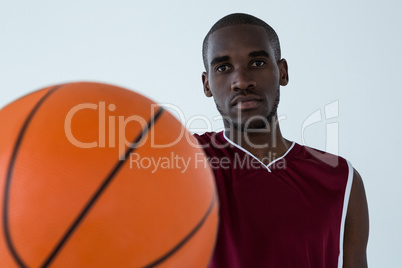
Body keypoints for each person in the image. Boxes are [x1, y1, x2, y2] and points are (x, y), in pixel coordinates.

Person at [193, 13, 369, 268]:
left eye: (257, 63)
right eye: (223, 67)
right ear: (207, 84)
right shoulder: (185, 161)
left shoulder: (341, 178)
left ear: (282, 72)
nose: (241, 81)